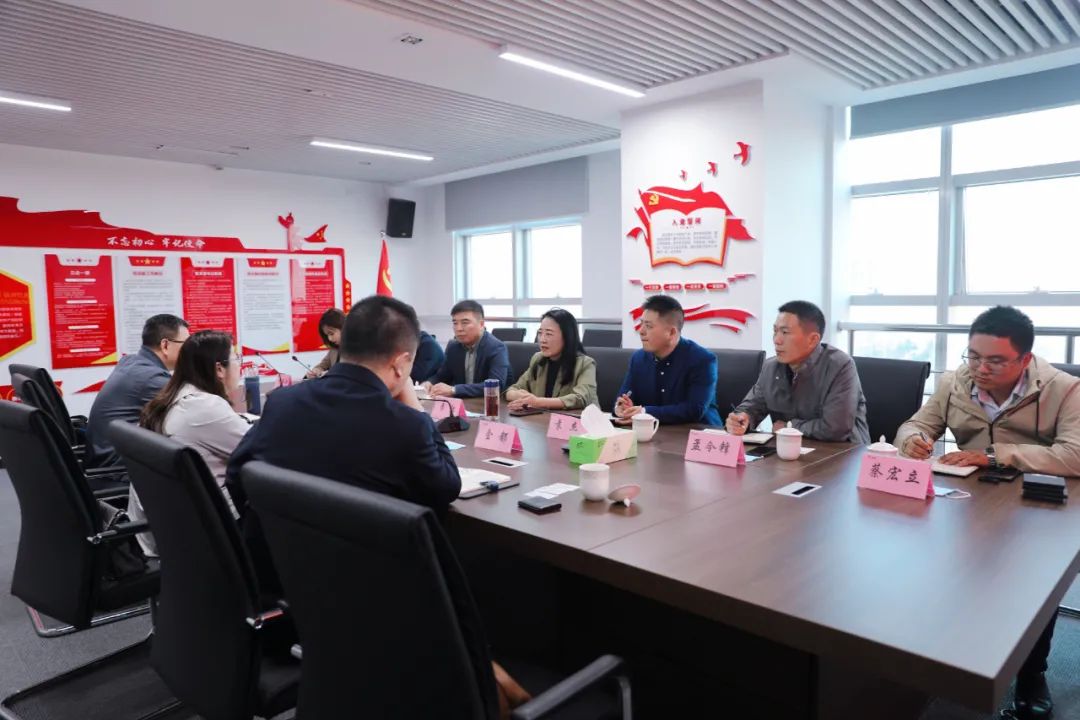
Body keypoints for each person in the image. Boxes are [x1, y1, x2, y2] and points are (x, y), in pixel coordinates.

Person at [895, 306, 1080, 719]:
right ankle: (939, 651)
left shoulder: (1064, 389)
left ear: (1024, 359)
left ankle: (1032, 672)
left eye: (995, 360)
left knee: (1037, 579)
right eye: (973, 356)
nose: (980, 368)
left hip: (1036, 504)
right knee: (922, 555)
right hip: (970, 501)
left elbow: (1075, 454)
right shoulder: (954, 382)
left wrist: (994, 455)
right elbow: (913, 425)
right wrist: (914, 441)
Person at [227, 294, 461, 515]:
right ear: (401, 363)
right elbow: (446, 488)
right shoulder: (407, 425)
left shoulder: (281, 402)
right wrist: (418, 411)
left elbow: (237, 473)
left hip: (284, 541)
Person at [127, 330, 254, 556]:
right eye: (236, 359)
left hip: (169, 527)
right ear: (219, 369)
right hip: (209, 530)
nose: (240, 367)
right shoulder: (205, 407)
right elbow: (257, 450)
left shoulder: (172, 398)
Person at [727, 301, 870, 443]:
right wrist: (742, 419)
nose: (777, 340)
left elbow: (836, 428)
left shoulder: (840, 366)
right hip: (788, 451)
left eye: (785, 332)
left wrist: (789, 427)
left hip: (842, 452)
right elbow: (751, 407)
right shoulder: (771, 367)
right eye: (775, 331)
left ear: (812, 340)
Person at [86, 313, 189, 466]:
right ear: (165, 345)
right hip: (116, 468)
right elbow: (195, 408)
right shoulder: (150, 378)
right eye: (186, 345)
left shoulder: (131, 362)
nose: (189, 351)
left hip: (103, 457)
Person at [614, 295, 720, 426]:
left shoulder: (702, 360)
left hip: (696, 432)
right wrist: (621, 407)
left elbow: (694, 409)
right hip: (652, 431)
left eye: (648, 326)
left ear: (671, 332)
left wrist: (645, 412)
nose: (641, 331)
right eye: (641, 324)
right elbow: (625, 396)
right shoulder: (638, 359)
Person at [505, 308, 597, 411]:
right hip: (543, 419)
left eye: (548, 334)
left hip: (577, 420)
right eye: (540, 333)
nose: (542, 340)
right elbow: (512, 389)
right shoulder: (538, 359)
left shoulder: (585, 363)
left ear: (567, 336)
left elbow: (581, 398)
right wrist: (519, 396)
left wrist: (537, 402)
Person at [423, 300, 510, 398]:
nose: (459, 328)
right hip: (462, 402)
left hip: (487, 403)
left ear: (481, 324)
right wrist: (429, 383)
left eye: (465, 323)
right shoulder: (453, 347)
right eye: (455, 323)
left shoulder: (496, 348)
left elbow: (496, 385)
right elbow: (442, 375)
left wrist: (454, 390)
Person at [305, 308, 344, 378]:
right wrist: (316, 370)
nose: (329, 339)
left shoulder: (359, 349)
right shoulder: (334, 349)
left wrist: (330, 374)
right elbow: (322, 365)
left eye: (331, 333)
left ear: (343, 328)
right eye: (327, 335)